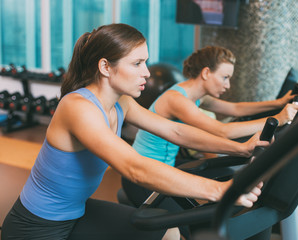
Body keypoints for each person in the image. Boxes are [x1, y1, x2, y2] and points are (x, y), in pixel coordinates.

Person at [1, 24, 267, 240]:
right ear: (105, 67)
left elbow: (175, 131)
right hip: (35, 227)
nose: (147, 73)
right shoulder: (77, 107)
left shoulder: (121, 102)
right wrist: (221, 190)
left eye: (146, 62)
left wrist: (241, 148)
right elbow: (134, 167)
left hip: (77, 213)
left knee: (165, 231)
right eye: (137, 63)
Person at [122, 46, 298, 208]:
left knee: (224, 173)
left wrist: (277, 103)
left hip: (166, 167)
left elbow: (236, 108)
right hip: (143, 176)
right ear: (206, 73)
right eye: (225, 77)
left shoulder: (197, 96)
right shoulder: (176, 99)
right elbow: (222, 131)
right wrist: (278, 118)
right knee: (188, 224)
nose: (227, 85)